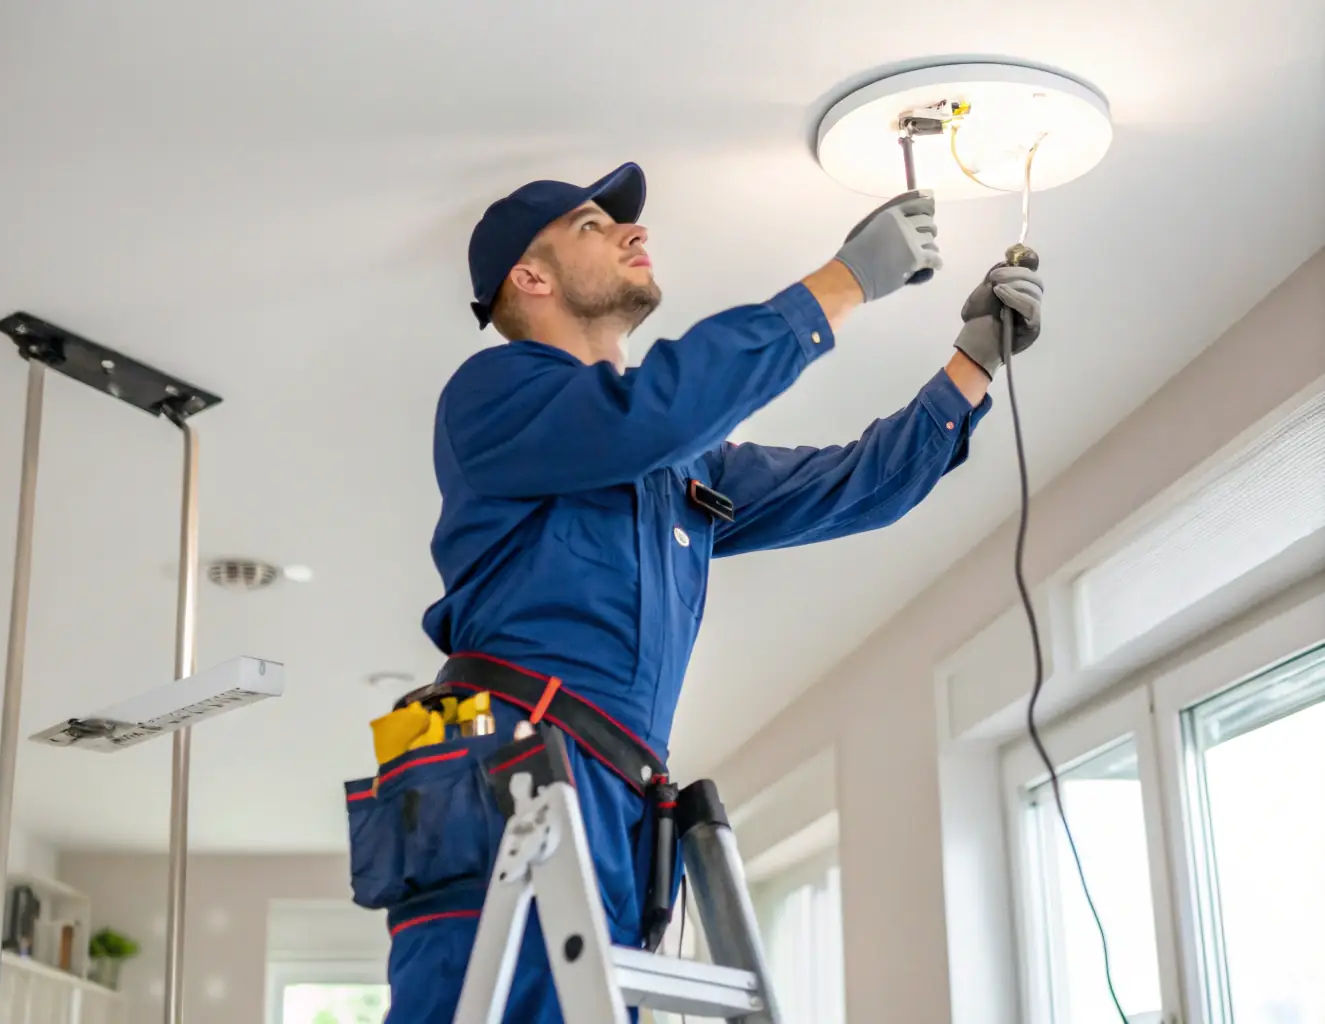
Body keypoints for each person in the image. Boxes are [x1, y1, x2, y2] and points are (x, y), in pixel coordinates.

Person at [377, 161, 1042, 1022]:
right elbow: (649, 412)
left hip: (610, 790)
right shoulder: (490, 397)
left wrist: (972, 364)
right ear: (528, 278)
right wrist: (843, 284)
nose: (633, 232)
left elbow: (854, 485)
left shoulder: (678, 471)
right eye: (593, 227)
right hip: (500, 770)